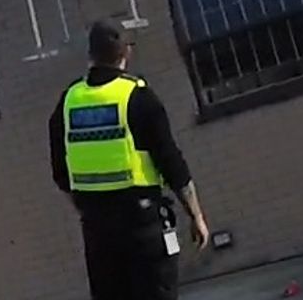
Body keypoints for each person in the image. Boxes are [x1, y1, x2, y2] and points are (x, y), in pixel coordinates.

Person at [49, 19, 210, 300]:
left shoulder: (68, 102)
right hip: (143, 224)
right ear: (126, 53)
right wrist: (195, 215)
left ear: (90, 55)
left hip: (97, 231)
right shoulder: (139, 97)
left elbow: (61, 174)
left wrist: (88, 207)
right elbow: (171, 163)